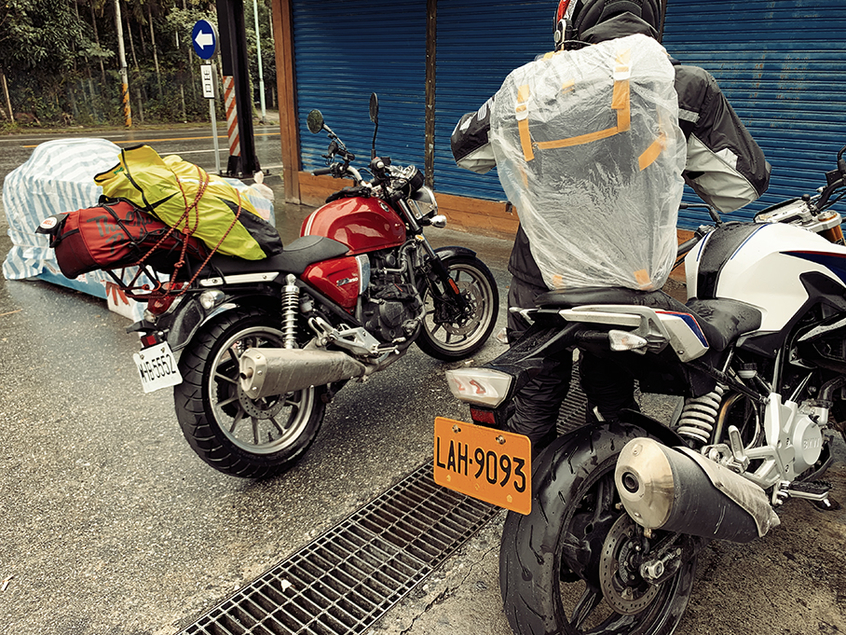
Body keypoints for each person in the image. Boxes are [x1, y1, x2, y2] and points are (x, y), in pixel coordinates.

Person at [450, 0, 770, 454]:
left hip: (539, 276)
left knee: (535, 394)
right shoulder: (679, 84)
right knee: (611, 390)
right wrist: (670, 153)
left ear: (570, 19)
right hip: (624, 282)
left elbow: (466, 149)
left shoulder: (527, 88)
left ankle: (522, 497)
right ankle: (619, 487)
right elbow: (743, 185)